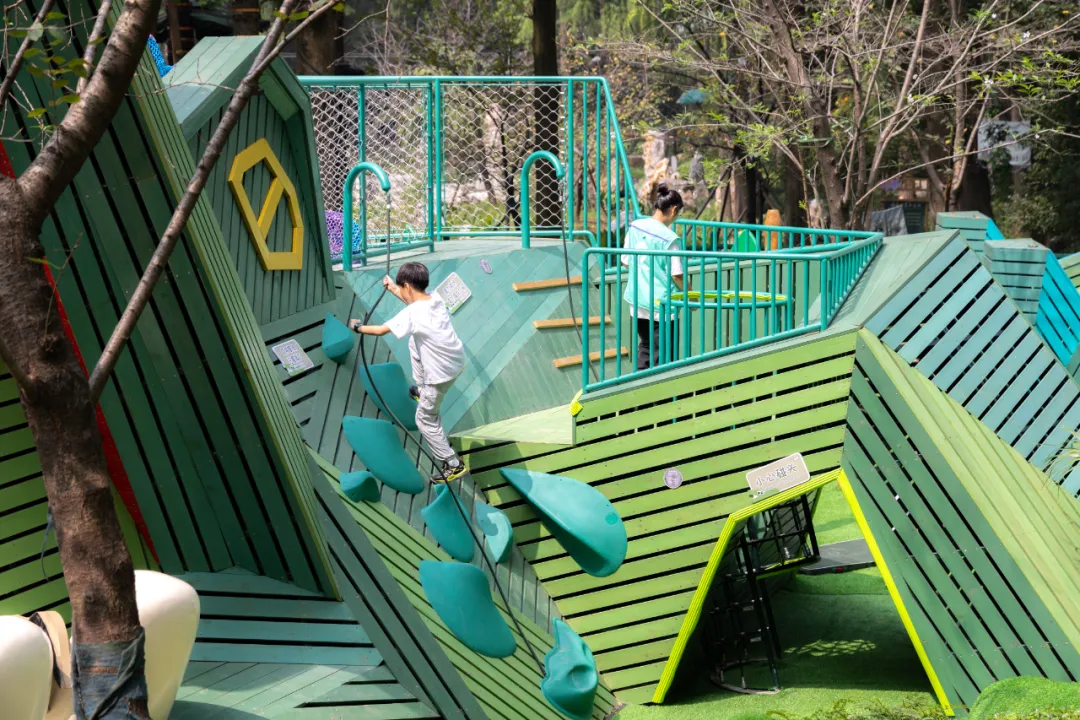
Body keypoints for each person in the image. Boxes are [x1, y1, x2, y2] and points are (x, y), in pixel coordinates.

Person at [350, 262, 467, 483]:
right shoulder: (435, 299)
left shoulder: (413, 313)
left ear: (408, 286)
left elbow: (381, 329)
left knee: (425, 419)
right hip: (455, 363)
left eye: (401, 288)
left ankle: (453, 463)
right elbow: (412, 304)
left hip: (439, 376)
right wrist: (393, 288)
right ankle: (422, 392)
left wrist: (356, 327)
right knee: (415, 342)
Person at [622, 184, 685, 370]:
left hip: (638, 300)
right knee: (665, 353)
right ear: (673, 209)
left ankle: (641, 387)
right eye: (678, 213)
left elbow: (626, 260)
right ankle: (661, 394)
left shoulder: (635, 227)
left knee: (646, 346)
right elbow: (677, 275)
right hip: (662, 305)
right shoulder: (670, 239)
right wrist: (690, 294)